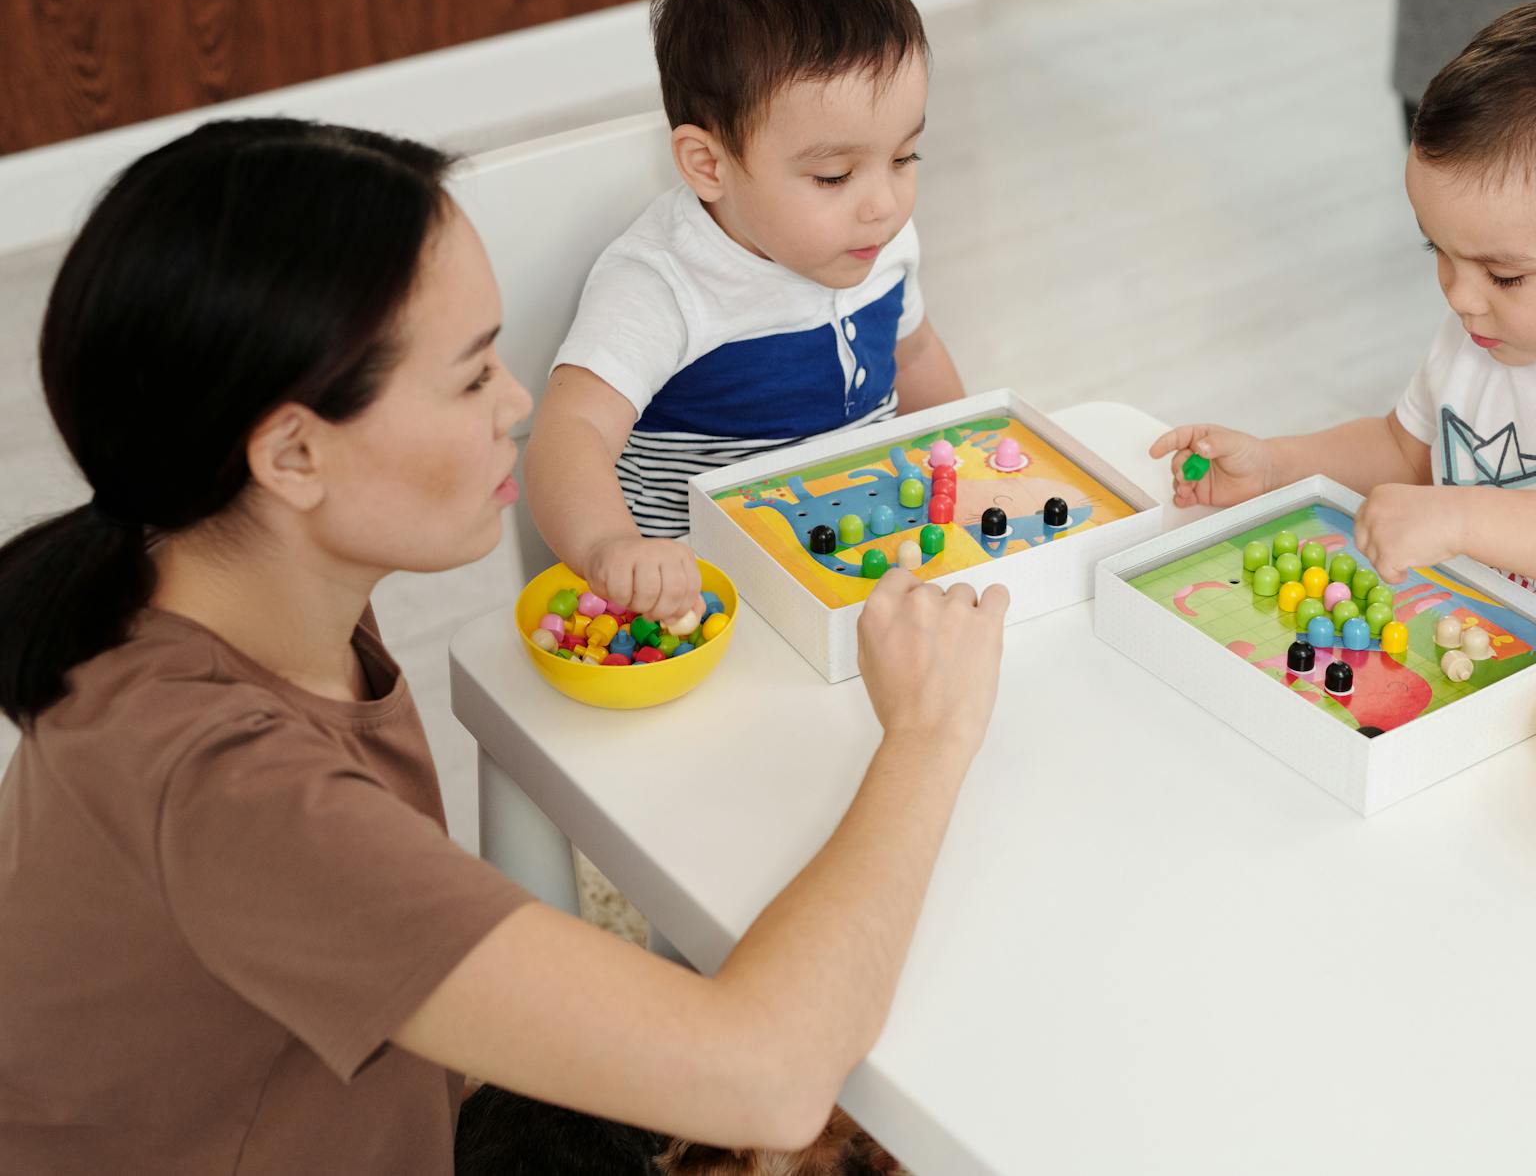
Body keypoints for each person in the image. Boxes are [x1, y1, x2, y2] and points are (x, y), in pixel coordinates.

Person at [0, 118, 1007, 1174]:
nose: (519, 407)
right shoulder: (228, 791)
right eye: (474, 375)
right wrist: (928, 737)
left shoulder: (230, 580)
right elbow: (768, 1076)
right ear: (293, 452)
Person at [1154, 0, 1536, 672]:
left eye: (1503, 274)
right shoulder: (1487, 332)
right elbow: (1403, 450)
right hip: (1483, 665)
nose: (1461, 296)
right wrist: (1276, 464)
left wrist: (1464, 518)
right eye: (1437, 249)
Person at [526, 0, 967, 629]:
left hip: (866, 564)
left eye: (905, 157)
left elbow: (912, 354)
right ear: (708, 166)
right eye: (834, 175)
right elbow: (568, 431)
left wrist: (960, 465)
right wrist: (612, 545)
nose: (884, 203)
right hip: (708, 600)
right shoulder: (663, 283)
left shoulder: (877, 240)